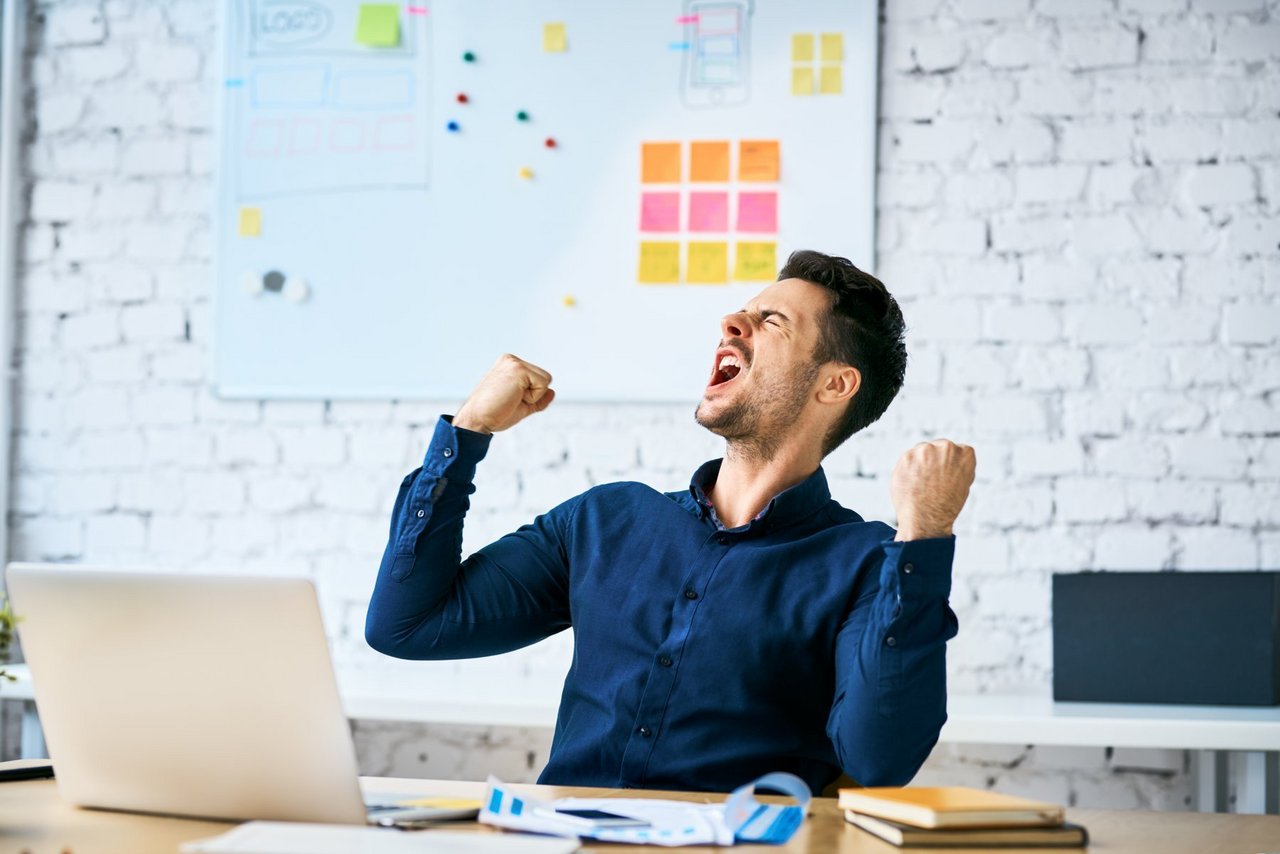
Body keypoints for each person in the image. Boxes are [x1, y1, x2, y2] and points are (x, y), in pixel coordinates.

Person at [366, 249, 976, 795]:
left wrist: (923, 538)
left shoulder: (867, 562)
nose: (732, 324)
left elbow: (880, 758)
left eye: (772, 322)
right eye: (744, 312)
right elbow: (407, 626)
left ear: (835, 384)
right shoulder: (606, 521)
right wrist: (468, 431)